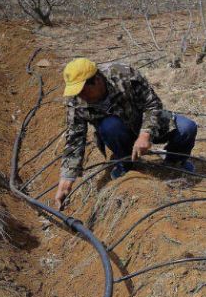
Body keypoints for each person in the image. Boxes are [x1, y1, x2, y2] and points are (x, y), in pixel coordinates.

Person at [54, 58, 198, 210]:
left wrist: (145, 134)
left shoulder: (124, 75)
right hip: (117, 133)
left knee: (187, 128)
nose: (80, 96)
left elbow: (153, 105)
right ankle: (126, 164)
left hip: (144, 121)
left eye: (82, 90)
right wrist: (66, 180)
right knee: (110, 126)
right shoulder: (75, 101)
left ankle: (174, 163)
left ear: (96, 80)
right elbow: (75, 140)